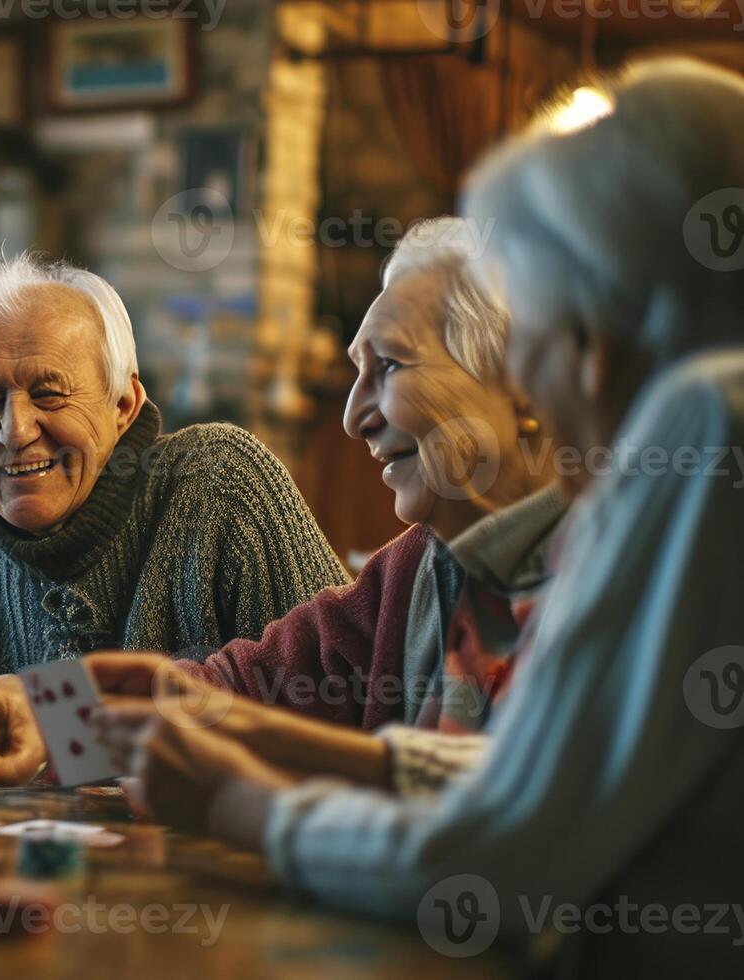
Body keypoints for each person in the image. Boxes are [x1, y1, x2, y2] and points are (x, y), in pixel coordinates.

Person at [101, 58, 744, 974]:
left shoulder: (706, 421)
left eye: (535, 336)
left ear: (586, 344)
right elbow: (544, 782)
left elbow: (505, 860)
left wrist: (246, 805)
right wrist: (241, 732)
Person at [0, 219, 566, 787]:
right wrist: (43, 709)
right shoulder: (417, 568)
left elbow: (513, 816)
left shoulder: (622, 571)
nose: (352, 417)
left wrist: (244, 805)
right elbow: (249, 686)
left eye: (391, 367)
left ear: (524, 383)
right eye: (356, 372)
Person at [0, 253, 350, 747]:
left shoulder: (221, 480)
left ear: (123, 405)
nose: (15, 431)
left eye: (48, 394)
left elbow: (338, 704)